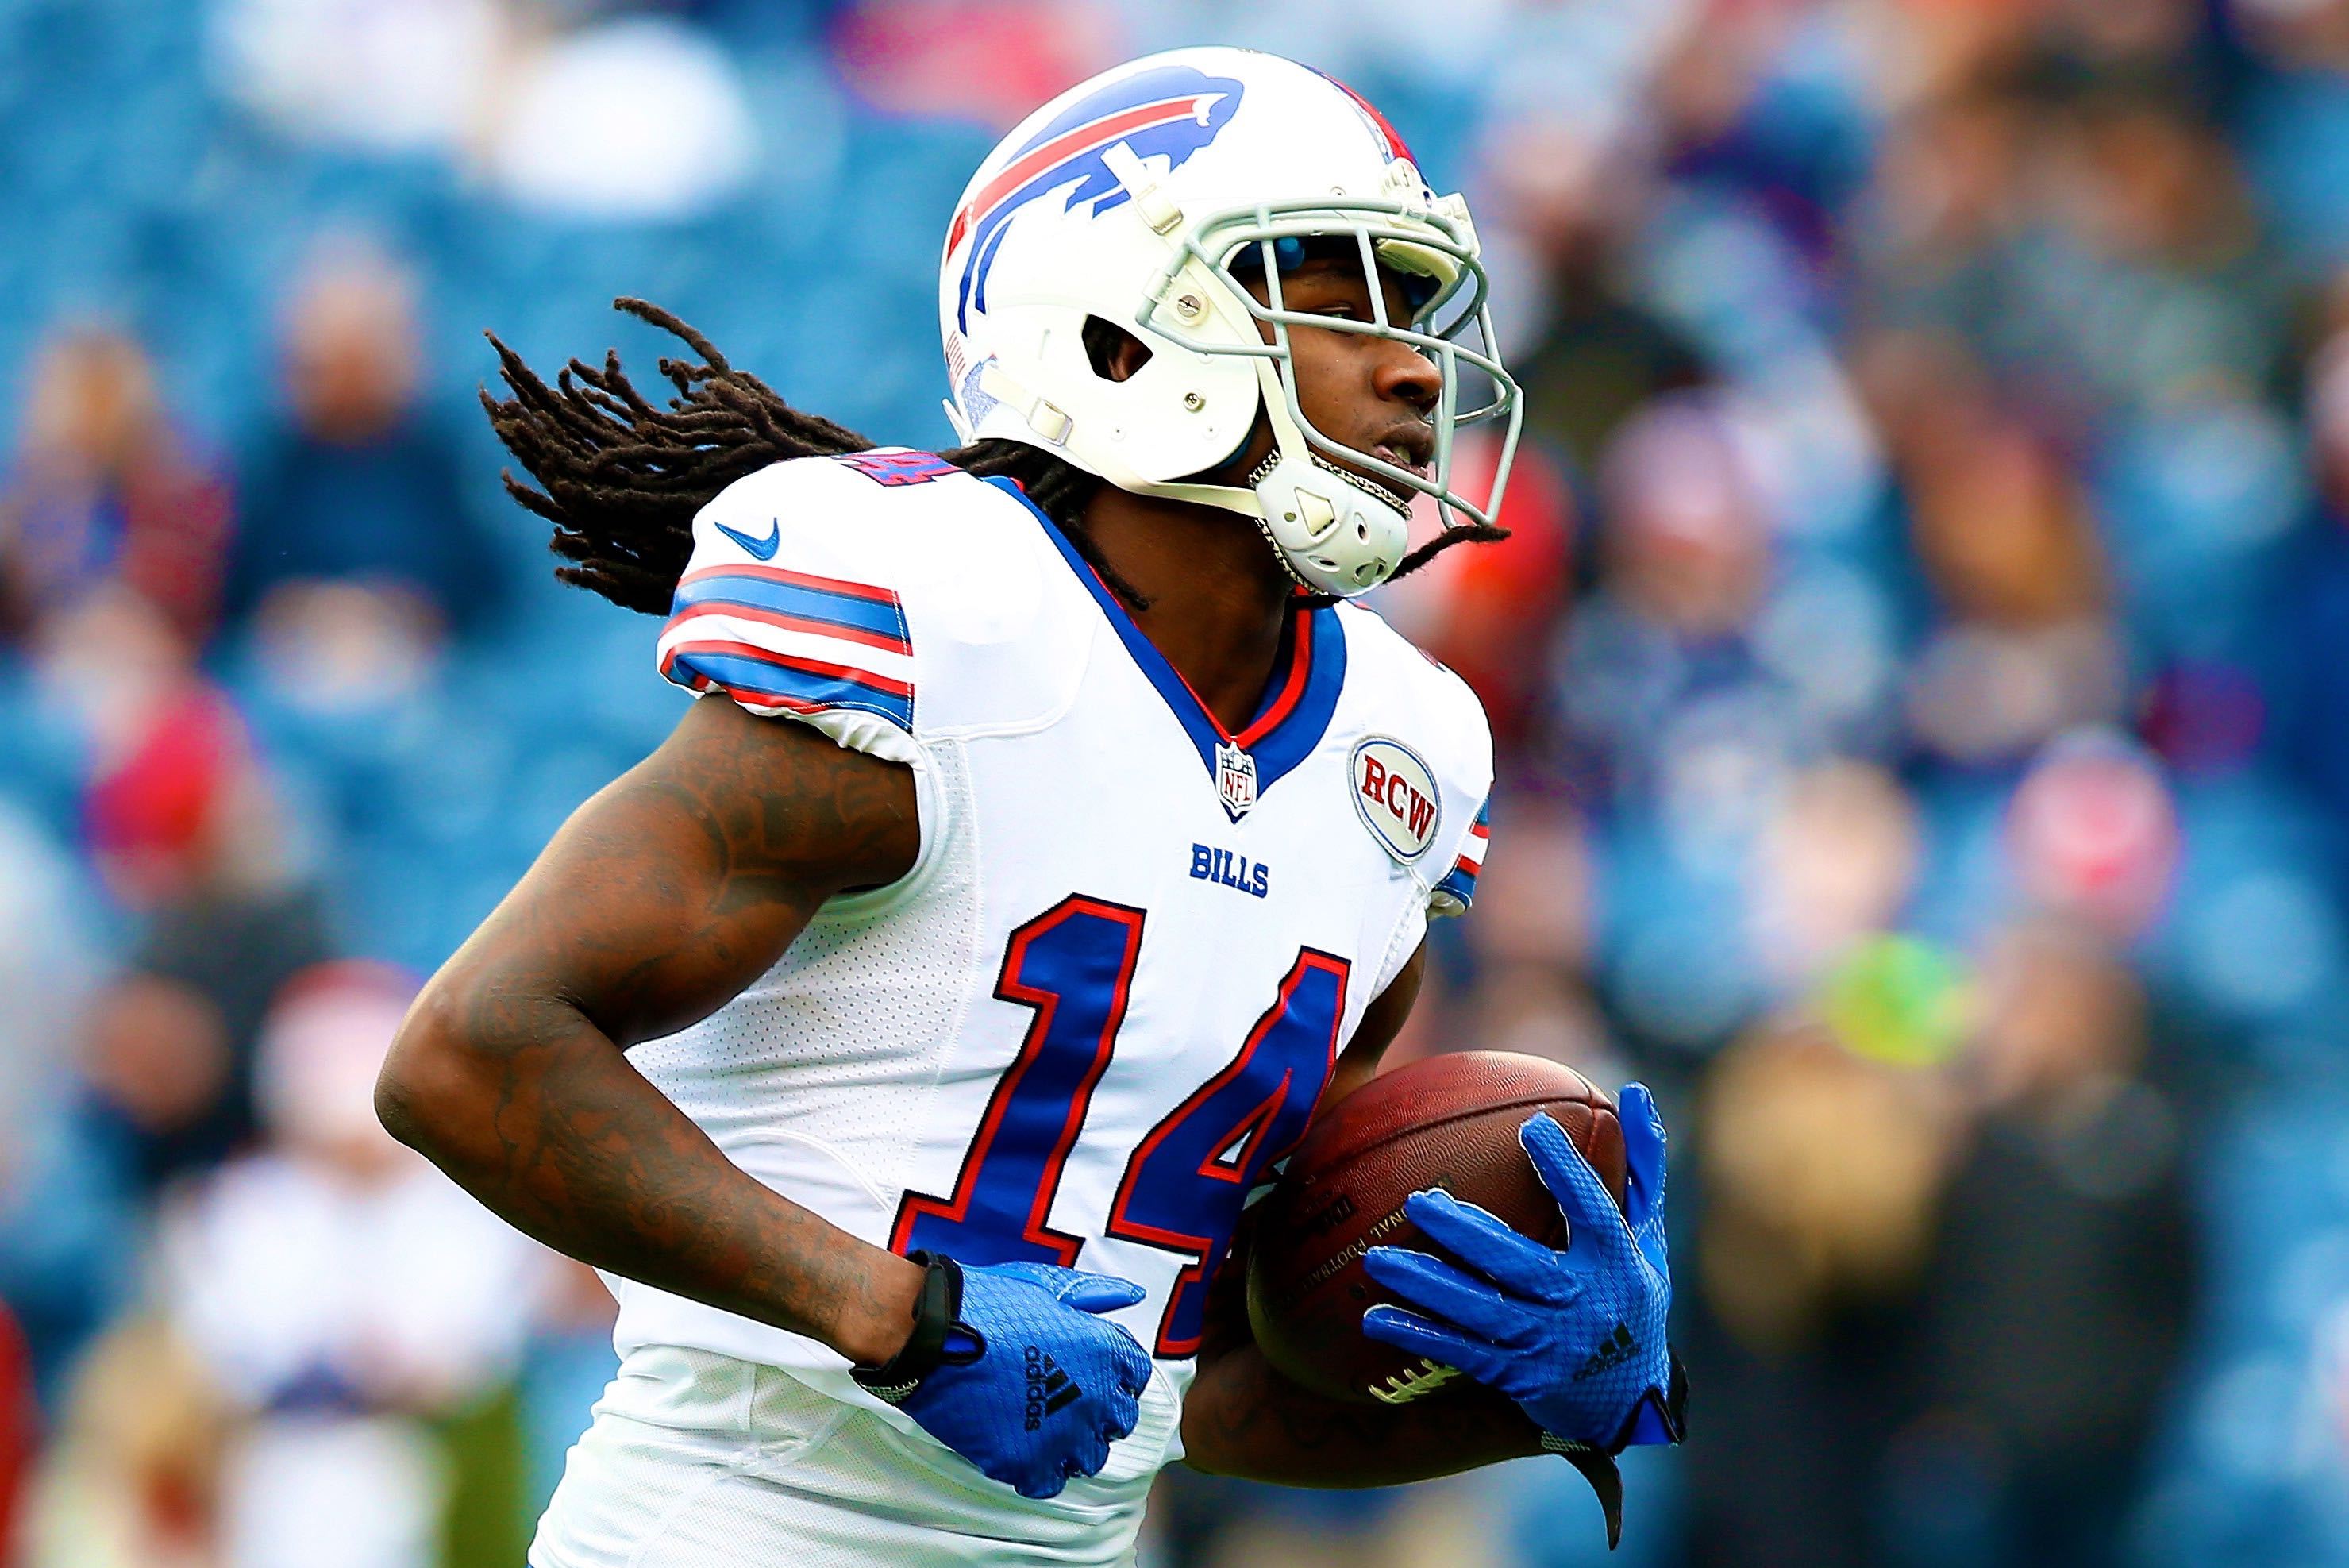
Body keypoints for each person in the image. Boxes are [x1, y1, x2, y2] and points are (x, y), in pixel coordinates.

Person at [375, 48, 1681, 1567]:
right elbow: (466, 1057)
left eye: (1413, 310)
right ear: (1121, 338)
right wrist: (892, 1311)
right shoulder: (954, 622)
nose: (1408, 368)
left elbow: (1217, 1397)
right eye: (1331, 297)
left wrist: (1572, 1391)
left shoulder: (1402, 755)